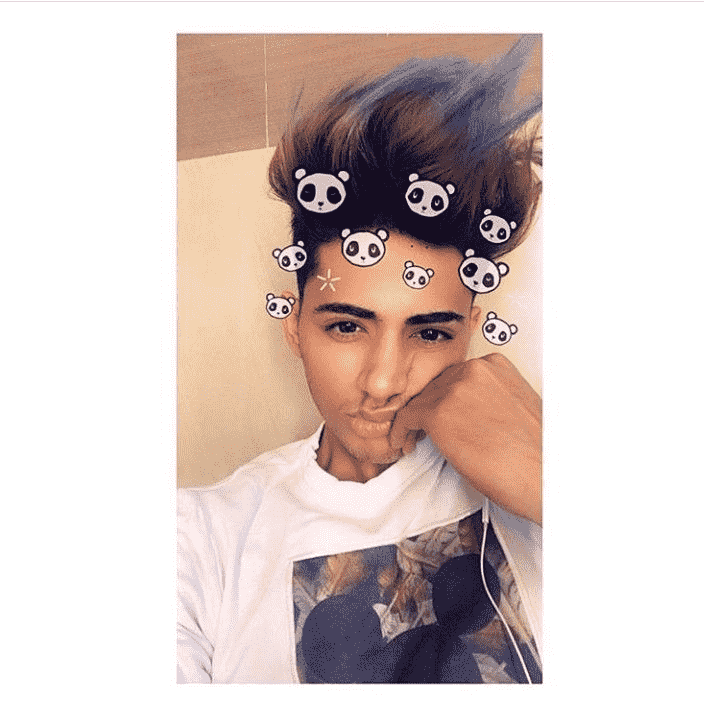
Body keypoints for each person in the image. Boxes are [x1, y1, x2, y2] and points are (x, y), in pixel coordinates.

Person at [178, 36, 542, 684]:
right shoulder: (201, 536)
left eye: (430, 333)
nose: (383, 381)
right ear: (295, 326)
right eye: (347, 326)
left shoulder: (534, 485)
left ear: (470, 333)